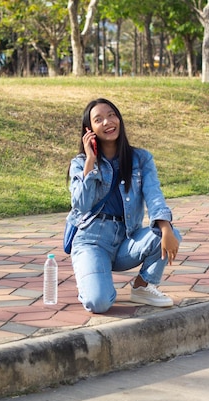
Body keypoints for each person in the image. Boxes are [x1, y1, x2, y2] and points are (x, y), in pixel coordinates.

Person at [66, 98, 181, 314]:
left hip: (126, 240)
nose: (108, 122)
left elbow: (154, 194)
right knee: (99, 303)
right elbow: (80, 205)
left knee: (169, 233)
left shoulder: (141, 159)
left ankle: (143, 286)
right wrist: (90, 161)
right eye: (98, 119)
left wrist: (166, 228)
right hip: (91, 241)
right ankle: (91, 278)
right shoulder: (80, 163)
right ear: (89, 130)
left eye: (111, 115)